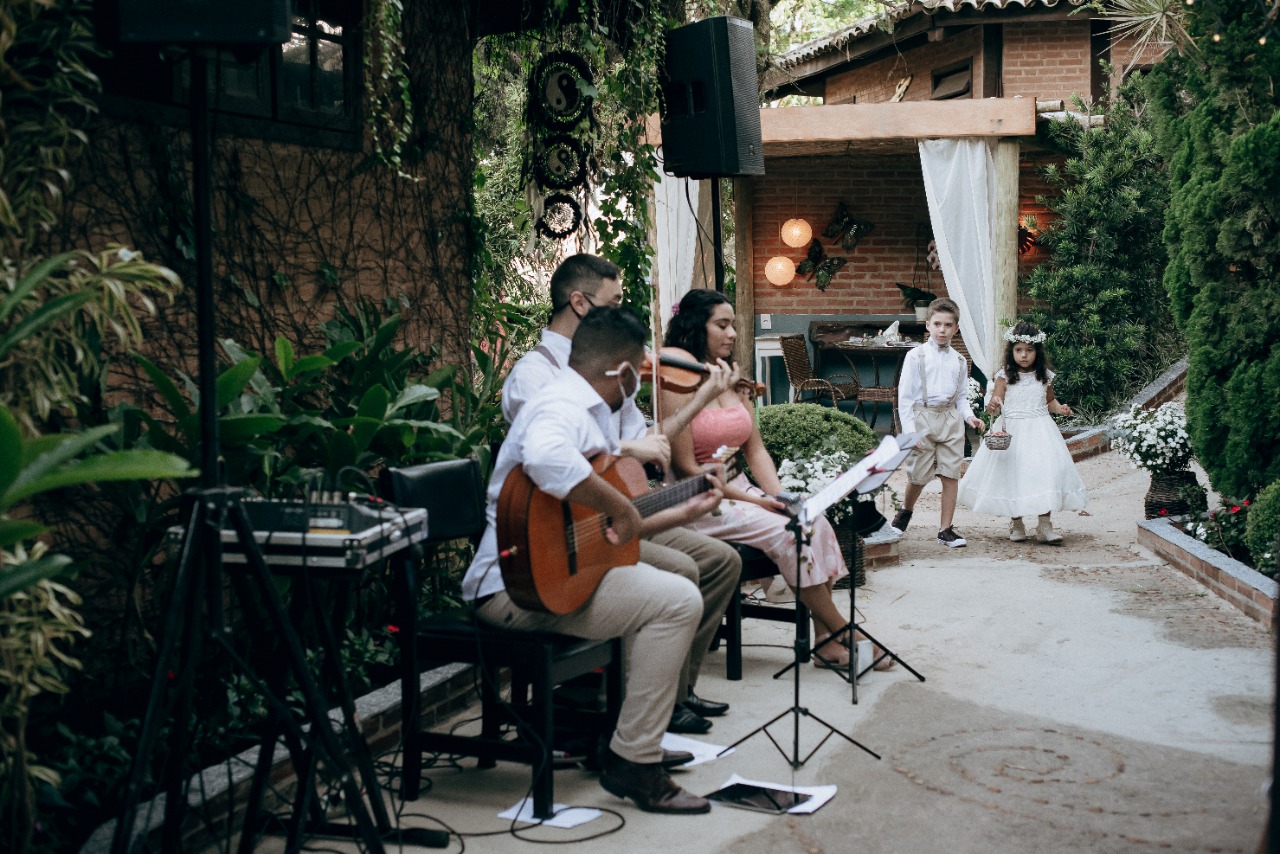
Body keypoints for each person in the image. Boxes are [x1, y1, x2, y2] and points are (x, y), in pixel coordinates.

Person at [462, 306, 723, 814]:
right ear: (622, 372)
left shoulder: (592, 412)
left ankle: (627, 738)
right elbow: (546, 459)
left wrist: (682, 510)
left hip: (560, 572)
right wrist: (621, 506)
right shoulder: (559, 406)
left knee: (671, 586)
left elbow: (604, 532)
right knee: (675, 601)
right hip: (512, 589)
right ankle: (634, 760)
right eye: (638, 370)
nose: (641, 380)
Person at [502, 254, 740, 735]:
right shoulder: (544, 382)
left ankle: (666, 698)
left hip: (600, 524)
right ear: (579, 303)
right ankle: (635, 720)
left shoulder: (609, 384)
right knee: (677, 582)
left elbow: (639, 448)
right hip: (556, 536)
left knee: (717, 561)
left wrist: (678, 498)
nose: (621, 313)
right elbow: (550, 456)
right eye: (613, 304)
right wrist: (620, 478)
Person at [660, 289, 888, 671]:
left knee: (813, 521)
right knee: (791, 533)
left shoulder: (733, 378)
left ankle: (824, 642)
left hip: (741, 490)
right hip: (700, 498)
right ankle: (847, 633)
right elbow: (685, 470)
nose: (733, 333)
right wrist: (758, 502)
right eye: (722, 325)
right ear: (695, 327)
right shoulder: (676, 382)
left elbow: (756, 451)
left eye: (733, 324)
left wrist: (780, 495)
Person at [958, 321, 1088, 543]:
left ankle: (1044, 525)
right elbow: (995, 405)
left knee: (1045, 473)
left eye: (1029, 350)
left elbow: (1050, 401)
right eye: (1018, 350)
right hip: (1013, 430)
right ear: (1011, 351)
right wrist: (993, 404)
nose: (1024, 355)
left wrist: (1060, 409)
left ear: (1038, 351)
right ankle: (1016, 524)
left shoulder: (1044, 375)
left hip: (1040, 429)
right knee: (1013, 475)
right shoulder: (1004, 376)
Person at [892, 297, 986, 548]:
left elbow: (962, 397)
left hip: (950, 420)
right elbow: (905, 398)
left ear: (956, 328)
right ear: (928, 325)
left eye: (948, 325)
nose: (942, 330)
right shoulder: (915, 356)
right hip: (922, 417)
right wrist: (910, 432)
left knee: (950, 475)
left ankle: (945, 529)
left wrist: (969, 417)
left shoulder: (960, 360)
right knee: (918, 476)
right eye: (937, 324)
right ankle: (905, 511)